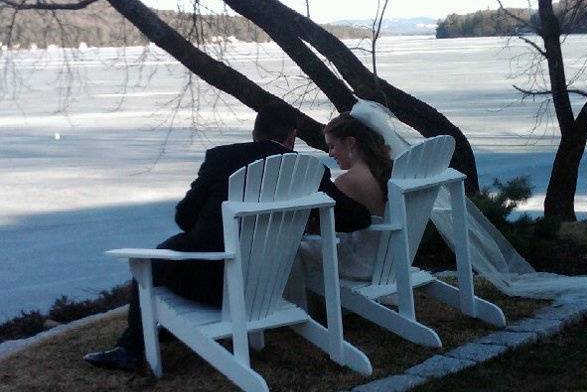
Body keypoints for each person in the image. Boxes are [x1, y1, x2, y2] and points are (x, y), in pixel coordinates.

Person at [84, 103, 371, 371]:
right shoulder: (309, 170)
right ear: (292, 137)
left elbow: (184, 218)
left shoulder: (220, 158)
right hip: (268, 284)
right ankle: (164, 330)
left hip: (212, 284)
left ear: (254, 134)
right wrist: (299, 220)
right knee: (176, 248)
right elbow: (358, 217)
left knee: (153, 260)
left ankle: (131, 350)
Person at [301, 111, 393, 280]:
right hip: (387, 260)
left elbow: (327, 224)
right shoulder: (383, 171)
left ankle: (308, 305)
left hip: (360, 264)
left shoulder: (349, 181)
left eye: (332, 146)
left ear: (350, 143)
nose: (330, 154)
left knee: (296, 251)